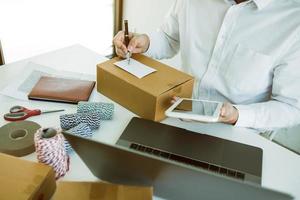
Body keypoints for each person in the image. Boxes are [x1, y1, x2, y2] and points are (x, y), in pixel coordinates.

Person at [113, 0, 300, 131]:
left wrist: (237, 115)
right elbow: (169, 38)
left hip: (239, 133)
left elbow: (291, 107)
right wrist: (144, 42)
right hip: (177, 112)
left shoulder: (293, 22)